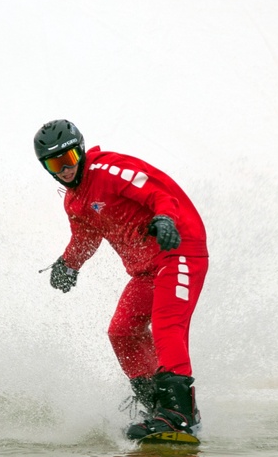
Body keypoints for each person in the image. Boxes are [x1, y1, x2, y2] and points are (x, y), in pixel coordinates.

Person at [33, 120, 208, 439]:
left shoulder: (108, 170)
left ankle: (179, 413)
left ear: (80, 151)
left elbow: (157, 191)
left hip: (177, 250)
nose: (65, 169)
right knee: (122, 331)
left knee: (167, 323)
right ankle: (156, 404)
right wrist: (68, 263)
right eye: (55, 164)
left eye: (69, 159)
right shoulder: (75, 201)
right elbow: (85, 237)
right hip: (146, 271)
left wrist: (165, 219)